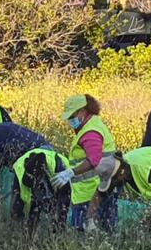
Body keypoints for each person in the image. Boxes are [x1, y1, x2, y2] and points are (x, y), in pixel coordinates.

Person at [51, 95, 119, 232]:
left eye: (73, 115)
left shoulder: (90, 132)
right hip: (103, 187)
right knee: (105, 229)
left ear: (83, 111)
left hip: (90, 191)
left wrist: (70, 173)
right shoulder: (93, 124)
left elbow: (93, 159)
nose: (70, 120)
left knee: (82, 231)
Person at [11, 147, 72, 232]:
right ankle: (29, 235)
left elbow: (64, 200)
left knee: (58, 212)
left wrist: (59, 223)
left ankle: (56, 235)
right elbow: (17, 206)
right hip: (26, 170)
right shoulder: (19, 172)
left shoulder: (60, 168)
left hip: (57, 174)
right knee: (25, 209)